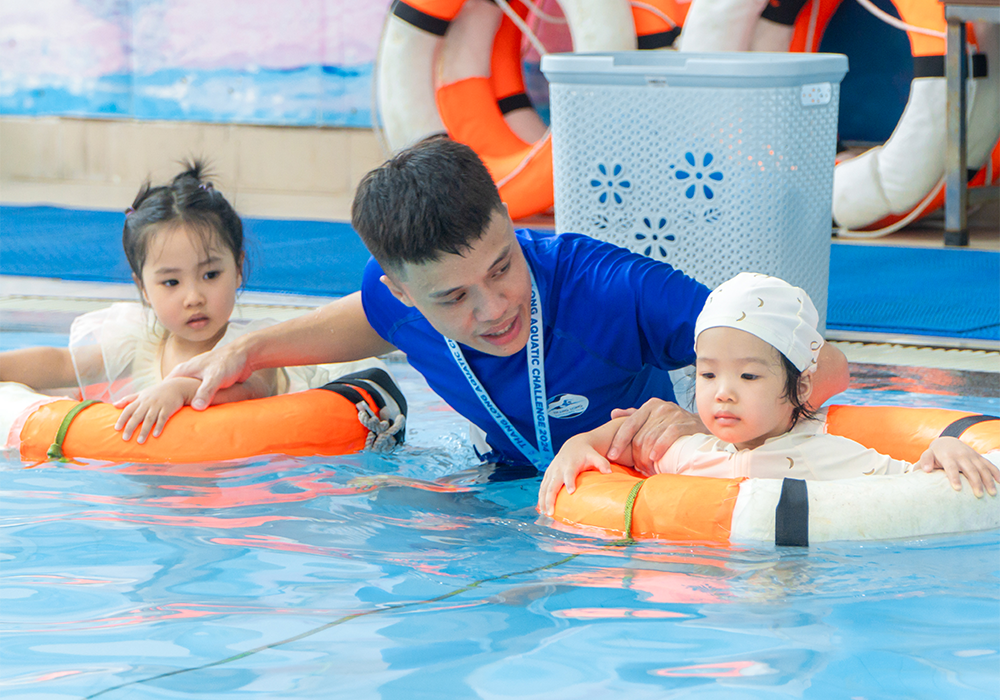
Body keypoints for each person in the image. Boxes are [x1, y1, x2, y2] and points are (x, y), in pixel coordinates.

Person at [167, 140, 849, 470]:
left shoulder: (611, 290)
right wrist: (243, 352)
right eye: (454, 297)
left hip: (634, 501)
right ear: (405, 292)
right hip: (498, 494)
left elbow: (832, 369)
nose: (494, 308)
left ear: (511, 223)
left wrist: (703, 422)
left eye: (502, 267)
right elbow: (360, 321)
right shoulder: (393, 299)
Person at [539, 273, 1000, 513]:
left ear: (801, 386)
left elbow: (915, 487)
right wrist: (581, 443)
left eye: (748, 377)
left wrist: (944, 447)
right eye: (708, 375)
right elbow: (624, 441)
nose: (723, 393)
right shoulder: (691, 453)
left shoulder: (827, 457)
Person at [0, 160, 387, 444]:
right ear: (142, 288)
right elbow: (61, 363)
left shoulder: (254, 349)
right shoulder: (139, 344)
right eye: (171, 282)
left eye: (211, 275)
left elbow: (252, 387)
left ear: (238, 269)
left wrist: (180, 390)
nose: (194, 297)